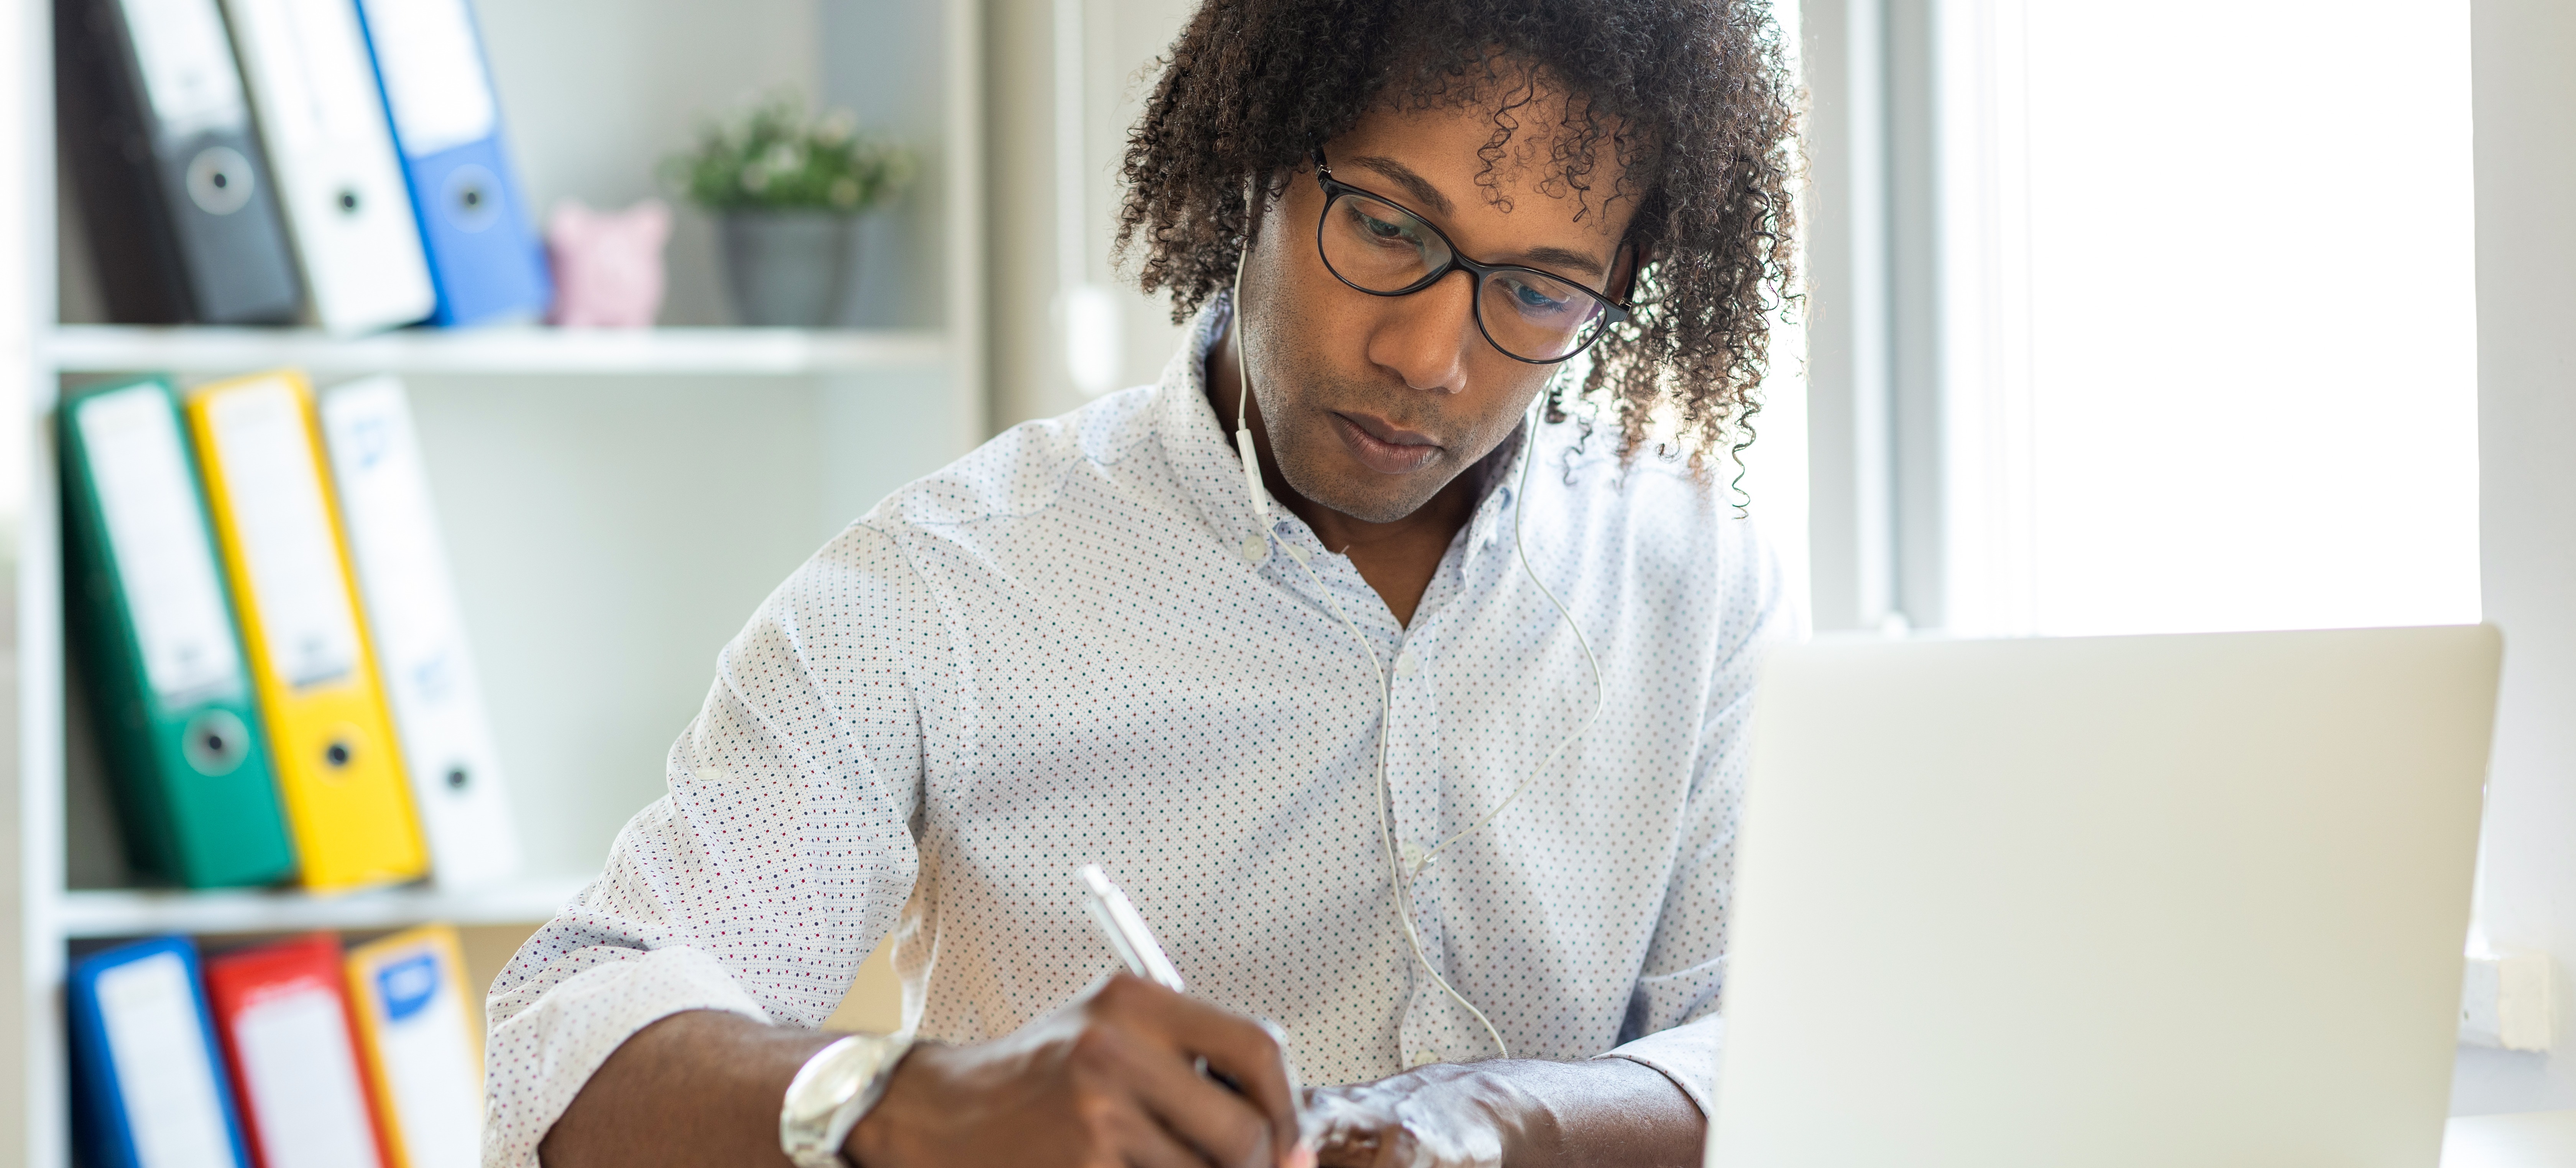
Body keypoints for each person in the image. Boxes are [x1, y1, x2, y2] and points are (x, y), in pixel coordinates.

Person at [493, 0, 1799, 1165]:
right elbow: (561, 1054)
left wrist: (1485, 1120)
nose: (1430, 355)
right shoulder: (938, 591)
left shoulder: (1700, 590)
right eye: (1388, 226)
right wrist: (918, 1104)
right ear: (1260, 159)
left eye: (1535, 291)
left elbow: (1777, 1045)